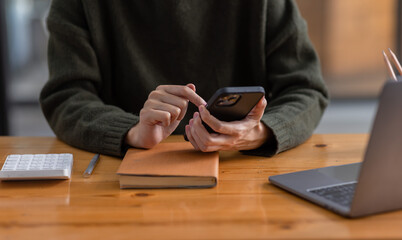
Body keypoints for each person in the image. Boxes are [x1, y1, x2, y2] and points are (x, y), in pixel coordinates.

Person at [40, 0, 329, 157]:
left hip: (243, 176)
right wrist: (131, 132)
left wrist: (260, 132)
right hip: (122, 177)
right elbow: (67, 95)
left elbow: (306, 88)